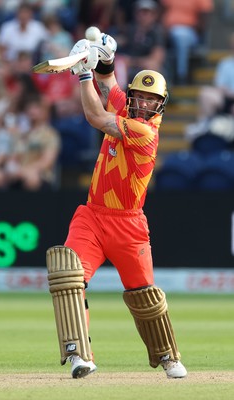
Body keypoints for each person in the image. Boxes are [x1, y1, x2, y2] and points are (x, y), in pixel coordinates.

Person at [45, 32, 187, 379]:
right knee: (68, 277)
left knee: (145, 298)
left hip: (129, 224)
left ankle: (168, 356)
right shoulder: (126, 108)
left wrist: (81, 73)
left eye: (149, 100)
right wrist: (101, 54)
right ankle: (79, 355)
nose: (141, 103)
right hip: (92, 216)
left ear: (160, 105)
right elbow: (108, 80)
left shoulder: (146, 132)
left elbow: (96, 116)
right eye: (138, 96)